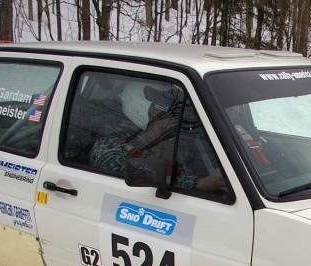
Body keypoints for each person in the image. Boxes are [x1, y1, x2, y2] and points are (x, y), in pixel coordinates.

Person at [89, 81, 225, 195]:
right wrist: (200, 184)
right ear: (140, 108)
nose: (175, 119)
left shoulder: (176, 141)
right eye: (167, 112)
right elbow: (129, 170)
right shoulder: (109, 143)